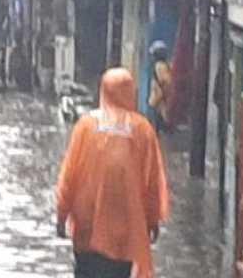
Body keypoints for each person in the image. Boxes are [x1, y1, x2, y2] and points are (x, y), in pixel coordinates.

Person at [55, 67, 170, 278]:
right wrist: (152, 220)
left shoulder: (85, 125)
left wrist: (61, 215)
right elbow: (152, 181)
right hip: (125, 232)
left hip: (86, 230)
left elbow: (69, 177)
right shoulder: (143, 129)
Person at [147, 41, 173, 134]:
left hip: (158, 100)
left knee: (157, 127)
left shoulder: (160, 66)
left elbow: (165, 81)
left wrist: (163, 97)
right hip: (158, 100)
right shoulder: (166, 65)